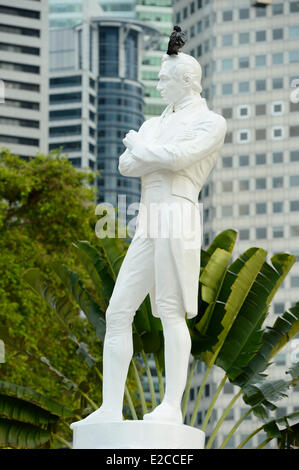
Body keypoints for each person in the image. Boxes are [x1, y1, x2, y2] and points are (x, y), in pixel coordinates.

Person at [71, 26, 227, 428]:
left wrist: (141, 148)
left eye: (163, 77)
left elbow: (177, 158)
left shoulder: (210, 122)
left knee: (172, 312)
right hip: (148, 218)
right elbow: (126, 166)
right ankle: (109, 409)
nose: (157, 83)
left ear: (186, 81)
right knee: (119, 309)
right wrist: (146, 152)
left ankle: (171, 406)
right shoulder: (154, 123)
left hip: (177, 212)